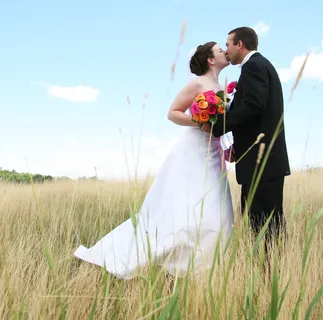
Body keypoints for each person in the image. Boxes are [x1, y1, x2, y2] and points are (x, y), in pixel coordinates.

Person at [73, 41, 235, 279]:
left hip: (214, 152)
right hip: (194, 150)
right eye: (220, 50)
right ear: (211, 60)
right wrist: (200, 121)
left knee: (219, 212)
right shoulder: (198, 84)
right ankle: (172, 263)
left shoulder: (220, 85)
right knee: (186, 210)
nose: (224, 51)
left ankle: (207, 270)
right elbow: (173, 113)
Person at [203, 26, 290, 244]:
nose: (226, 49)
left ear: (239, 44)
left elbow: (252, 107)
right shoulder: (260, 65)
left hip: (261, 163)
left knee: (263, 225)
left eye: (228, 44)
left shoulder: (253, 67)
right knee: (266, 224)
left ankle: (268, 271)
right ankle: (270, 270)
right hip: (264, 162)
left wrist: (218, 126)